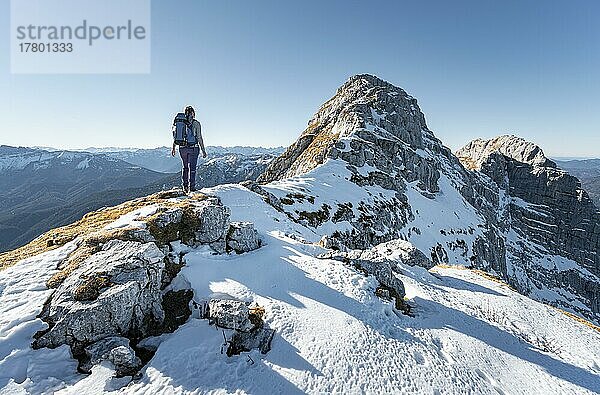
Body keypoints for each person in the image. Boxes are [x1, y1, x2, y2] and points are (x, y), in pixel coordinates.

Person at [171, 105, 207, 193]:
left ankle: (185, 186)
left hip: (182, 148)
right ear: (193, 113)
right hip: (193, 148)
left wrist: (173, 147)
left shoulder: (180, 122)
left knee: (185, 167)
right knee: (193, 168)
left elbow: (176, 136)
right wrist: (203, 150)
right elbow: (199, 137)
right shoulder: (196, 123)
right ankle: (192, 187)